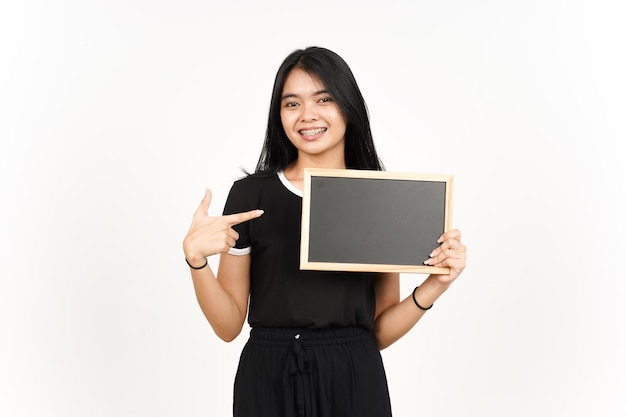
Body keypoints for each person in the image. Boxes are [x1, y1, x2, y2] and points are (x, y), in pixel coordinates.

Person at [182, 46, 467, 417]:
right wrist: (196, 261)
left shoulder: (378, 196)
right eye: (292, 104)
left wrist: (435, 285)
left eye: (324, 99)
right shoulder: (250, 195)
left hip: (353, 377)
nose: (308, 115)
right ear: (278, 115)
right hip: (267, 376)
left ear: (348, 106)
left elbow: (378, 332)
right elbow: (228, 325)